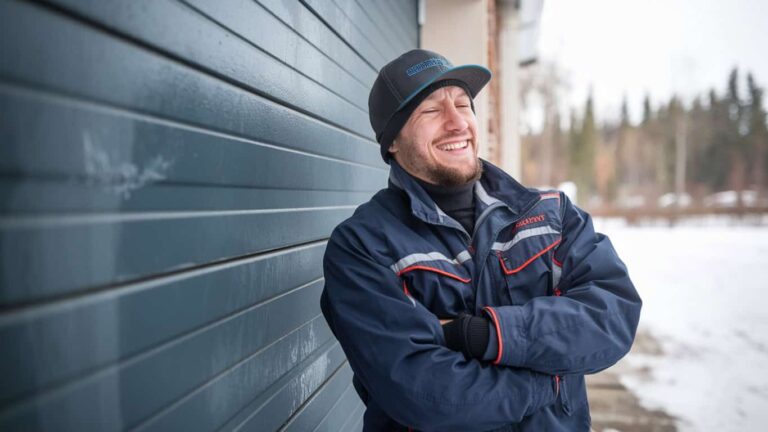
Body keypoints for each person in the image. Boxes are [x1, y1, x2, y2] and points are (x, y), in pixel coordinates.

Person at [320, 49, 642, 432]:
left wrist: (480, 335)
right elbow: (423, 391)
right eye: (431, 110)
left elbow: (612, 316)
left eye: (463, 104)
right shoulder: (363, 246)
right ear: (392, 141)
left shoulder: (552, 216)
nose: (457, 123)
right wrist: (548, 384)